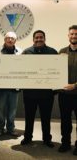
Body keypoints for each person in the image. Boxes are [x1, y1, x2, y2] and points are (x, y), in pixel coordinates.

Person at [21, 30, 57, 148]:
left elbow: (57, 72)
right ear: (33, 39)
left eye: (41, 37)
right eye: (36, 38)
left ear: (44, 39)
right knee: (29, 117)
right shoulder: (26, 52)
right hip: (29, 94)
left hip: (46, 94)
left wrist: (55, 89)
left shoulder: (53, 52)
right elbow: (21, 70)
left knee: (46, 118)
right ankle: (27, 137)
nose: (39, 39)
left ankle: (47, 139)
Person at [58, 25, 77, 156]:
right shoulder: (62, 52)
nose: (74, 36)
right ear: (68, 35)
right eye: (72, 34)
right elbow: (57, 72)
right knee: (65, 121)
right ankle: (65, 143)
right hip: (64, 94)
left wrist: (75, 85)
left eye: (76, 34)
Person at [0, 32, 22, 136]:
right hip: (1, 86)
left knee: (12, 110)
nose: (10, 40)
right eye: (8, 38)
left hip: (14, 86)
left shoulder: (20, 51)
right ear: (4, 39)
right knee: (0, 110)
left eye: (12, 38)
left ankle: (11, 129)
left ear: (15, 40)